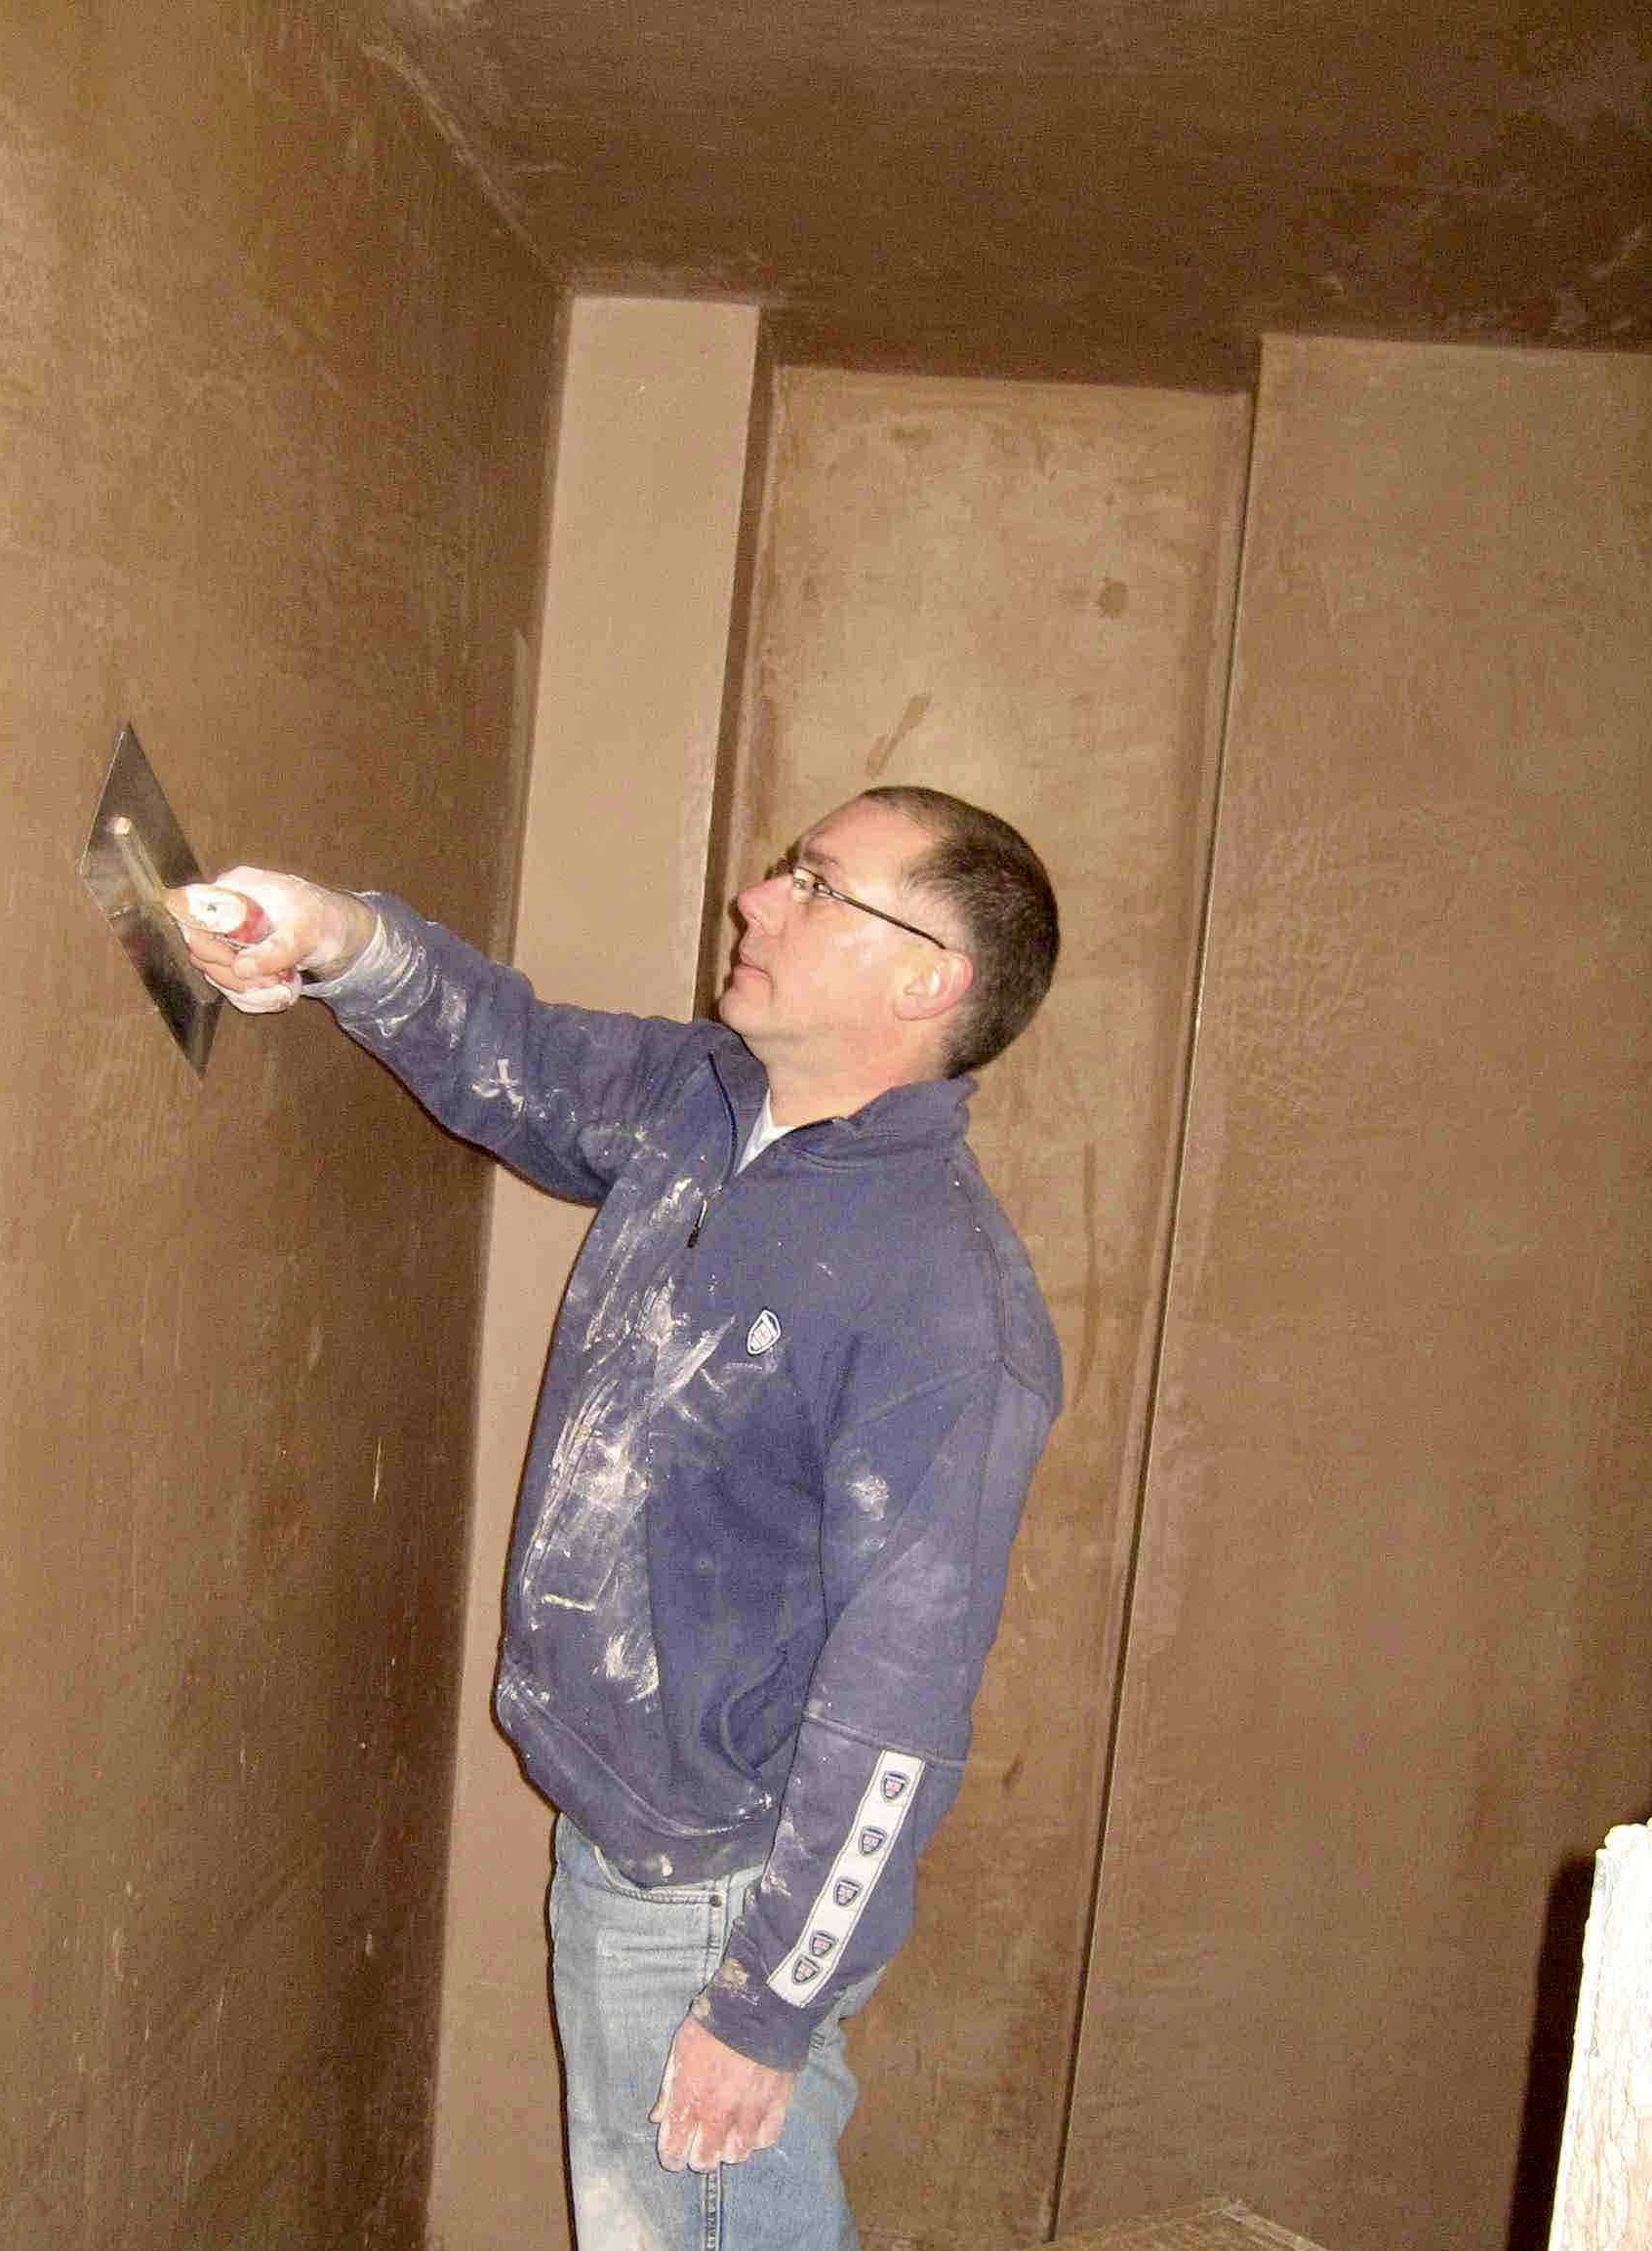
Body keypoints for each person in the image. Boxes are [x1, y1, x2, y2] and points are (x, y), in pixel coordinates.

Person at [172, 784, 1063, 2251]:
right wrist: (333, 939)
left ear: (927, 979)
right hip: (626, 1846)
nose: (756, 900)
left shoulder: (945, 1307)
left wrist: (764, 2010)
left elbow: (897, 1713)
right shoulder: (711, 1103)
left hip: (719, 1898)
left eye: (817, 887)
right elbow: (514, 1060)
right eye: (786, 870)